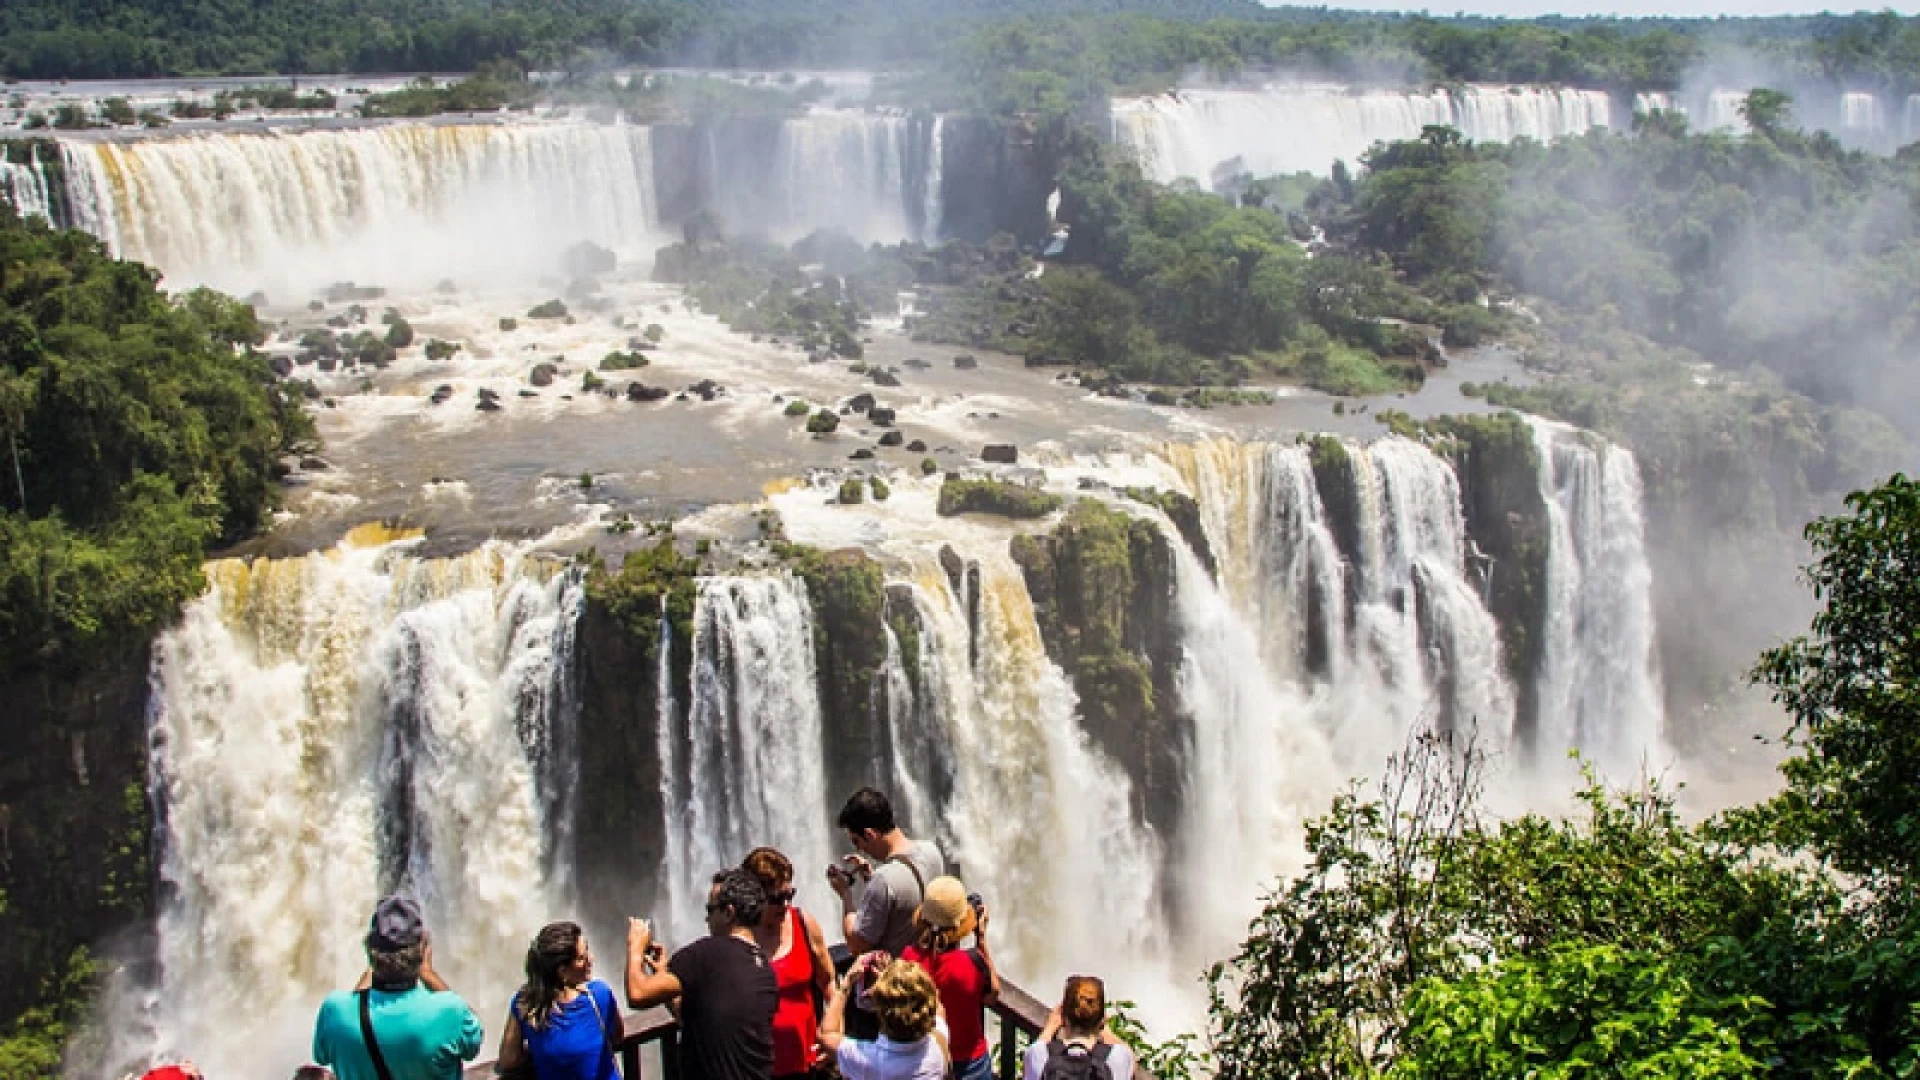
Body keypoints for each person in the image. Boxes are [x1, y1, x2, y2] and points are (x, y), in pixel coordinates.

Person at [626, 869, 778, 1080]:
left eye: (710, 909)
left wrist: (635, 947)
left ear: (729, 913)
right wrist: (663, 975)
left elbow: (637, 993)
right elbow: (704, 1021)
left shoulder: (704, 955)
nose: (706, 918)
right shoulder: (763, 969)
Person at [312, 894, 484, 1080]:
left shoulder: (335, 1011)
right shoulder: (450, 1011)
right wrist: (427, 973)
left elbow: (322, 1055)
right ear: (422, 949)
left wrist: (375, 966)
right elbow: (472, 1044)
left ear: (370, 951)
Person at [741, 848, 836, 1080]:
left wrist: (832, 1033)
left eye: (789, 895)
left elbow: (830, 983)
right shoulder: (738, 937)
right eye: (776, 899)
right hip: (757, 1067)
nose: (785, 904)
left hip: (808, 1062)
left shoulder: (804, 924)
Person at [495, 921, 624, 1080]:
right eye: (582, 958)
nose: (591, 959)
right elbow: (617, 1035)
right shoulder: (600, 994)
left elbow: (509, 1060)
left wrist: (539, 1049)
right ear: (563, 972)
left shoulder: (524, 1004)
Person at [827, 788, 946, 959]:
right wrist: (870, 878)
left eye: (856, 841)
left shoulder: (883, 881)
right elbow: (903, 902)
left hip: (897, 979)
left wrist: (846, 896)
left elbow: (858, 945)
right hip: (928, 968)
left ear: (869, 834)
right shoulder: (932, 852)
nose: (858, 848)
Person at [900, 878, 999, 1080]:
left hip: (926, 1059)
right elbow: (992, 995)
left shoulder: (909, 959)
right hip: (971, 1062)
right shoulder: (972, 963)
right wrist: (981, 938)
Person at [819, 958, 949, 1080]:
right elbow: (938, 1008)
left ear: (881, 1013)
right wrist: (894, 983)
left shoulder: (870, 1060)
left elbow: (827, 1035)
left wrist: (846, 984)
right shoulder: (938, 1044)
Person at [1022, 977, 1133, 1080]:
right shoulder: (1118, 1057)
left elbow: (1033, 1054)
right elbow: (1130, 1057)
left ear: (1063, 1016)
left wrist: (1050, 1027)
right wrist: (1103, 1026)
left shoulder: (1039, 1054)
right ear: (1102, 1019)